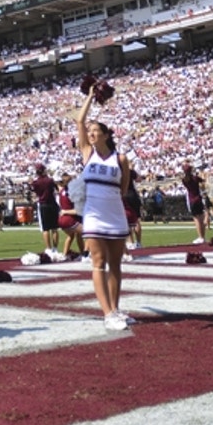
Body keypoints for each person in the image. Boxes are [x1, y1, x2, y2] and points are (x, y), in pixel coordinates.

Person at [74, 88, 133, 330]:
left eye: (96, 131)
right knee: (98, 262)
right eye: (90, 132)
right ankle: (107, 313)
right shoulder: (87, 153)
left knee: (116, 264)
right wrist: (90, 96)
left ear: (107, 135)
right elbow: (79, 120)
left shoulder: (121, 159)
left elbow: (124, 188)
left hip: (115, 214)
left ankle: (116, 308)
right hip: (94, 215)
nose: (91, 134)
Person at [180, 161, 208, 245]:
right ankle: (203, 237)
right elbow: (203, 181)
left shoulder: (184, 180)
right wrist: (201, 173)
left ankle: (200, 237)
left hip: (192, 200)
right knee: (201, 219)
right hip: (198, 198)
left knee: (197, 220)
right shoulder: (195, 178)